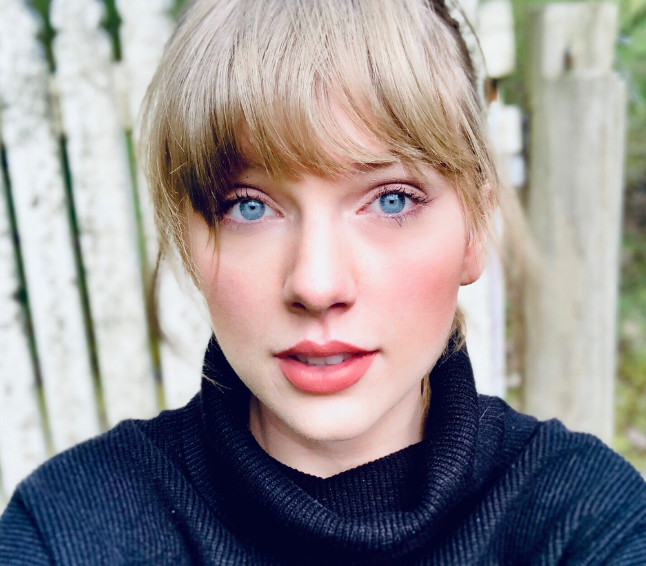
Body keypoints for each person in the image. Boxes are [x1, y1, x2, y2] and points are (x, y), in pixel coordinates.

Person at [1, 0, 645, 563]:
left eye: (391, 199)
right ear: (191, 240)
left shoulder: (588, 522)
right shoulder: (69, 531)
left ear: (475, 228)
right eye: (248, 206)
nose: (316, 284)